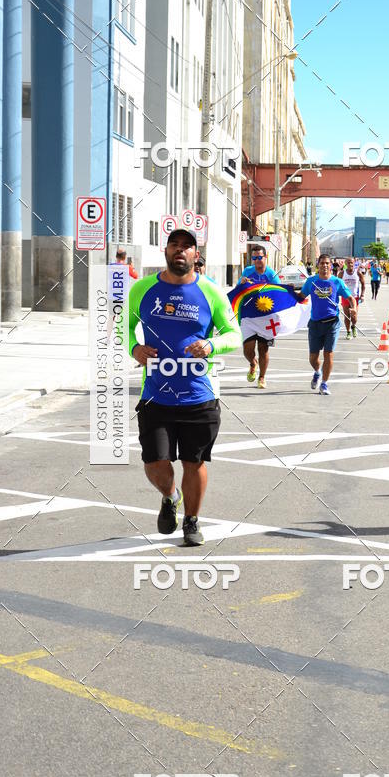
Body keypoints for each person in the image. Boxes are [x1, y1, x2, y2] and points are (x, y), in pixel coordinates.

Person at [128, 229, 241, 545]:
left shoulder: (211, 292)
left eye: (187, 246)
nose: (180, 250)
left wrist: (210, 345)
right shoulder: (143, 289)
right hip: (155, 396)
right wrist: (134, 349)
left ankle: (191, 522)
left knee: (195, 462)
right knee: (154, 464)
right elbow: (122, 325)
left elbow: (233, 334)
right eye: (174, 245)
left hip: (199, 396)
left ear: (196, 255)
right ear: (165, 251)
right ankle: (170, 496)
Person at [297, 254, 356, 395]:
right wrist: (287, 291)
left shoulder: (337, 282)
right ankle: (317, 372)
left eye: (327, 263)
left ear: (331, 266)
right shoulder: (311, 282)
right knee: (313, 358)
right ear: (318, 265)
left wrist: (353, 308)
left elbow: (350, 297)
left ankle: (324, 384)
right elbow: (300, 297)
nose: (325, 266)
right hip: (315, 324)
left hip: (332, 323)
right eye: (322, 263)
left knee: (328, 354)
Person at [238, 245, 280, 389]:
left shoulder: (272, 275)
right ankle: (252, 363)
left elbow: (279, 294)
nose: (256, 261)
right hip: (249, 316)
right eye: (254, 258)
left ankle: (262, 377)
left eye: (259, 257)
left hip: (266, 318)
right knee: (247, 350)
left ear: (265, 257)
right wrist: (241, 283)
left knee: (263, 349)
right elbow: (239, 290)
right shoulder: (247, 271)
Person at [340, 257, 365, 339]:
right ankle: (348, 332)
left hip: (355, 298)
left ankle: (353, 326)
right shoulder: (342, 273)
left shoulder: (358, 273)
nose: (350, 264)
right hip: (345, 297)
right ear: (345, 264)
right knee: (347, 316)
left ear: (354, 263)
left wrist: (362, 295)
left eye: (351, 262)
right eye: (348, 262)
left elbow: (363, 285)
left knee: (354, 316)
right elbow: (337, 285)